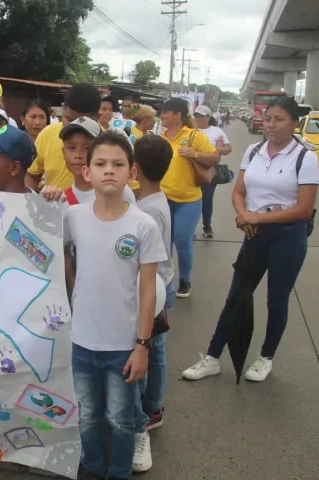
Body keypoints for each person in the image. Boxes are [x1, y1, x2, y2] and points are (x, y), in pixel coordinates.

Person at [182, 96, 319, 383]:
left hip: (288, 238)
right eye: (268, 118)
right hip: (254, 233)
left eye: (279, 119)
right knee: (236, 296)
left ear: (294, 123)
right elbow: (238, 192)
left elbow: (303, 209)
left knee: (276, 300)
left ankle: (265, 357)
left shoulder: (305, 157)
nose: (271, 125)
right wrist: (245, 216)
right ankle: (212, 358)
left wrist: (255, 218)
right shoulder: (254, 151)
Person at [63, 131, 167, 480]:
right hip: (81, 342)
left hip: (123, 347)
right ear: (86, 172)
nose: (110, 170)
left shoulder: (143, 225)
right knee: (88, 415)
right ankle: (91, 469)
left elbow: (149, 291)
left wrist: (142, 346)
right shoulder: (72, 217)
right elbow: (42, 238)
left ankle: (119, 472)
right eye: (101, 163)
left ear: (132, 173)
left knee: (122, 420)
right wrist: (46, 197)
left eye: (118, 164)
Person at [131, 135, 175, 473]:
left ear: (134, 168)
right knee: (157, 350)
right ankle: (153, 408)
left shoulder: (147, 211)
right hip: (164, 284)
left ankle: (150, 410)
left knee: (152, 350)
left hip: (155, 289)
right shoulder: (157, 199)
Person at [159, 97, 220, 298]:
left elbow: (214, 157)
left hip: (189, 200)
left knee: (182, 240)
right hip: (163, 199)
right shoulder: (161, 138)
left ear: (177, 115)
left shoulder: (194, 135)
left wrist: (194, 154)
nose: (162, 115)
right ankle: (164, 277)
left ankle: (185, 280)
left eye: (166, 112)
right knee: (163, 242)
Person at [25, 83, 102, 191]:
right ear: (63, 108)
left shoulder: (110, 144)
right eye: (69, 119)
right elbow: (32, 175)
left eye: (86, 148)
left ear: (97, 117)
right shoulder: (47, 134)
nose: (74, 126)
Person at [56, 116, 135, 205]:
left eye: (87, 148)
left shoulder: (120, 192)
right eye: (71, 148)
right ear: (63, 152)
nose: (78, 155)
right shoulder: (61, 199)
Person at [193, 105, 233, 238]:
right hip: (191, 169)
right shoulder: (190, 130)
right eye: (196, 115)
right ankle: (191, 228)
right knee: (190, 200)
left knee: (207, 200)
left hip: (209, 170)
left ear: (209, 117)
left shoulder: (217, 131)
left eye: (202, 116)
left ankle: (207, 226)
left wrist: (215, 150)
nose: (198, 118)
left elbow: (228, 148)